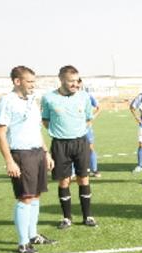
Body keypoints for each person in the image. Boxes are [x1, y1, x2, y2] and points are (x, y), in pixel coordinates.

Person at [0, 66, 56, 253]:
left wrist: (46, 153)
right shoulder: (6, 101)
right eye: (29, 82)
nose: (33, 85)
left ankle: (33, 235)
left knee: (36, 195)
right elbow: (0, 133)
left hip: (37, 152)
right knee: (25, 197)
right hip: (20, 154)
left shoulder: (33, 101)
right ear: (17, 81)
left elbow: (37, 130)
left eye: (34, 82)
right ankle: (22, 243)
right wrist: (9, 161)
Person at [41, 65, 97, 229]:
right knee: (64, 181)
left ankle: (88, 216)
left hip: (80, 142)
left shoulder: (84, 97)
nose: (75, 84)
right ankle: (67, 218)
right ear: (61, 80)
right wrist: (59, 131)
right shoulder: (48, 98)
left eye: (77, 81)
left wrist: (78, 131)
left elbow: (88, 118)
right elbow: (45, 120)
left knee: (83, 179)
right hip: (60, 144)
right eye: (71, 81)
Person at [78, 78, 101, 178]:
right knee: (75, 149)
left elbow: (99, 108)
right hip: (73, 128)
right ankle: (75, 171)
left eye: (78, 83)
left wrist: (91, 119)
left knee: (90, 148)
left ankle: (94, 169)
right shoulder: (67, 96)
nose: (76, 85)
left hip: (86, 128)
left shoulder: (87, 96)